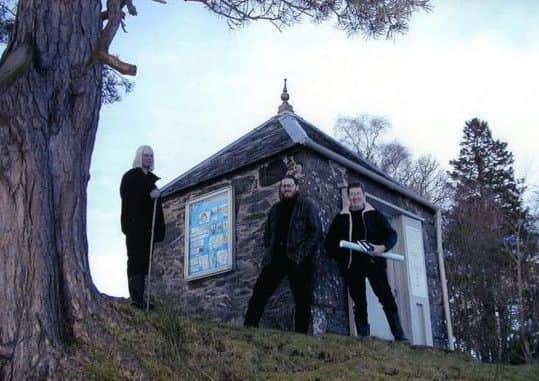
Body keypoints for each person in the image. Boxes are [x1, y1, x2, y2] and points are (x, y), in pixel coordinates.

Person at [325, 181, 408, 341]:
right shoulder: (341, 218)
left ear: (364, 196)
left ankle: (400, 336)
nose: (355, 198)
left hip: (374, 264)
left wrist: (381, 248)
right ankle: (364, 337)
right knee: (359, 302)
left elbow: (392, 235)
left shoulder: (375, 215)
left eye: (358, 194)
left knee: (386, 298)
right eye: (352, 195)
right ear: (348, 197)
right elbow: (329, 243)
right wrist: (341, 257)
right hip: (352, 266)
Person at [244, 175, 322, 333]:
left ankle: (300, 335)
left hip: (298, 258)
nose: (286, 188)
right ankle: (249, 328)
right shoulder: (275, 209)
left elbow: (316, 232)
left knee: (302, 298)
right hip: (276, 258)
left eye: (290, 186)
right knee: (260, 292)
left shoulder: (306, 205)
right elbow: (267, 234)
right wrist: (269, 250)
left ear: (296, 187)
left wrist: (302, 253)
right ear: (281, 189)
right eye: (284, 186)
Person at [120, 145, 165, 310]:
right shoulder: (130, 177)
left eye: (151, 156)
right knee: (135, 260)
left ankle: (143, 299)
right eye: (146, 155)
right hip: (135, 227)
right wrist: (148, 196)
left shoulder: (152, 181)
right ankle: (136, 298)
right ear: (139, 156)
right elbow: (129, 197)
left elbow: (155, 206)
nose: (149, 158)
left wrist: (155, 196)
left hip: (148, 230)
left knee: (145, 262)